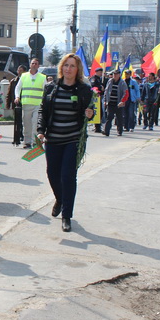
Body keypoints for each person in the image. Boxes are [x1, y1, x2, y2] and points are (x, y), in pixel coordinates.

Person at [37, 53, 95, 233]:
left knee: (68, 176)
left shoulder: (84, 90)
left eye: (72, 66)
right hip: (53, 139)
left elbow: (94, 111)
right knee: (52, 173)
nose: (68, 69)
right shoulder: (51, 88)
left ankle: (67, 216)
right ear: (61, 68)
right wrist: (40, 131)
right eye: (66, 65)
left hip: (73, 139)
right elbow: (43, 111)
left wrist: (90, 113)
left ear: (77, 70)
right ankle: (60, 199)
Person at [14, 57, 46, 148]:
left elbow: (46, 90)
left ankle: (36, 142)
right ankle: (27, 142)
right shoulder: (24, 76)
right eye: (32, 63)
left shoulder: (42, 77)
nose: (34, 65)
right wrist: (17, 97)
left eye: (36, 63)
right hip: (26, 104)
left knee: (35, 123)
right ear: (30, 65)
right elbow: (18, 88)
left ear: (38, 66)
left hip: (38, 105)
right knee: (26, 124)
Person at [103, 69, 128, 136]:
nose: (115, 75)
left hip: (118, 104)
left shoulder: (123, 83)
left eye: (116, 74)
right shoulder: (110, 81)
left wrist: (122, 101)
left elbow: (126, 93)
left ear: (119, 75)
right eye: (114, 74)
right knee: (109, 117)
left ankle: (120, 131)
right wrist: (105, 100)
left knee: (119, 118)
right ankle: (106, 131)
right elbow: (106, 91)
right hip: (110, 103)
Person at [6, 65, 26, 146]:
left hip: (25, 103)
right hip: (16, 103)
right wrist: (8, 104)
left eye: (21, 70)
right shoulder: (13, 81)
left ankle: (22, 134)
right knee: (17, 121)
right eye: (18, 70)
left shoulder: (26, 80)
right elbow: (9, 93)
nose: (19, 72)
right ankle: (19, 135)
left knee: (23, 120)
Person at [88, 67, 105, 133]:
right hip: (95, 98)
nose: (101, 73)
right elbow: (93, 86)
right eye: (100, 72)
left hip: (99, 97)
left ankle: (98, 126)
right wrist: (100, 87)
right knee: (97, 112)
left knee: (100, 112)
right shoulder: (94, 78)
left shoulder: (100, 79)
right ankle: (97, 127)